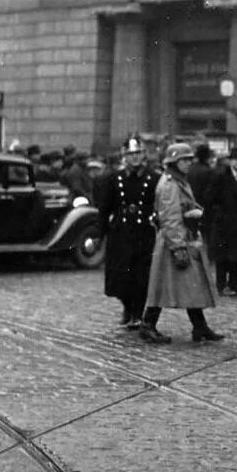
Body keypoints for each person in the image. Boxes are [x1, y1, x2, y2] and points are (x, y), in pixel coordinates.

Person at [140, 143, 223, 344]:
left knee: (190, 285)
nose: (187, 163)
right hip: (174, 240)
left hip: (182, 237)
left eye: (188, 160)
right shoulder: (170, 184)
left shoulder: (179, 181)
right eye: (183, 160)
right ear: (173, 162)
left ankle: (199, 326)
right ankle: (148, 324)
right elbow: (170, 218)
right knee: (164, 286)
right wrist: (178, 247)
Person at [98, 136, 159, 328]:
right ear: (124, 156)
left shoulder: (153, 177)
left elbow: (158, 204)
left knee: (141, 276)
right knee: (121, 275)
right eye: (130, 154)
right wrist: (101, 233)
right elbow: (105, 208)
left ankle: (138, 314)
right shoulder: (114, 178)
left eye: (138, 154)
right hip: (121, 233)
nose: (134, 158)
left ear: (143, 155)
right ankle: (127, 307)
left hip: (143, 232)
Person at [208, 146, 237, 296]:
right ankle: (222, 286)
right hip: (224, 224)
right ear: (229, 161)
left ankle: (236, 284)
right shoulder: (221, 176)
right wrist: (219, 214)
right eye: (235, 160)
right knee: (223, 257)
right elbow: (210, 197)